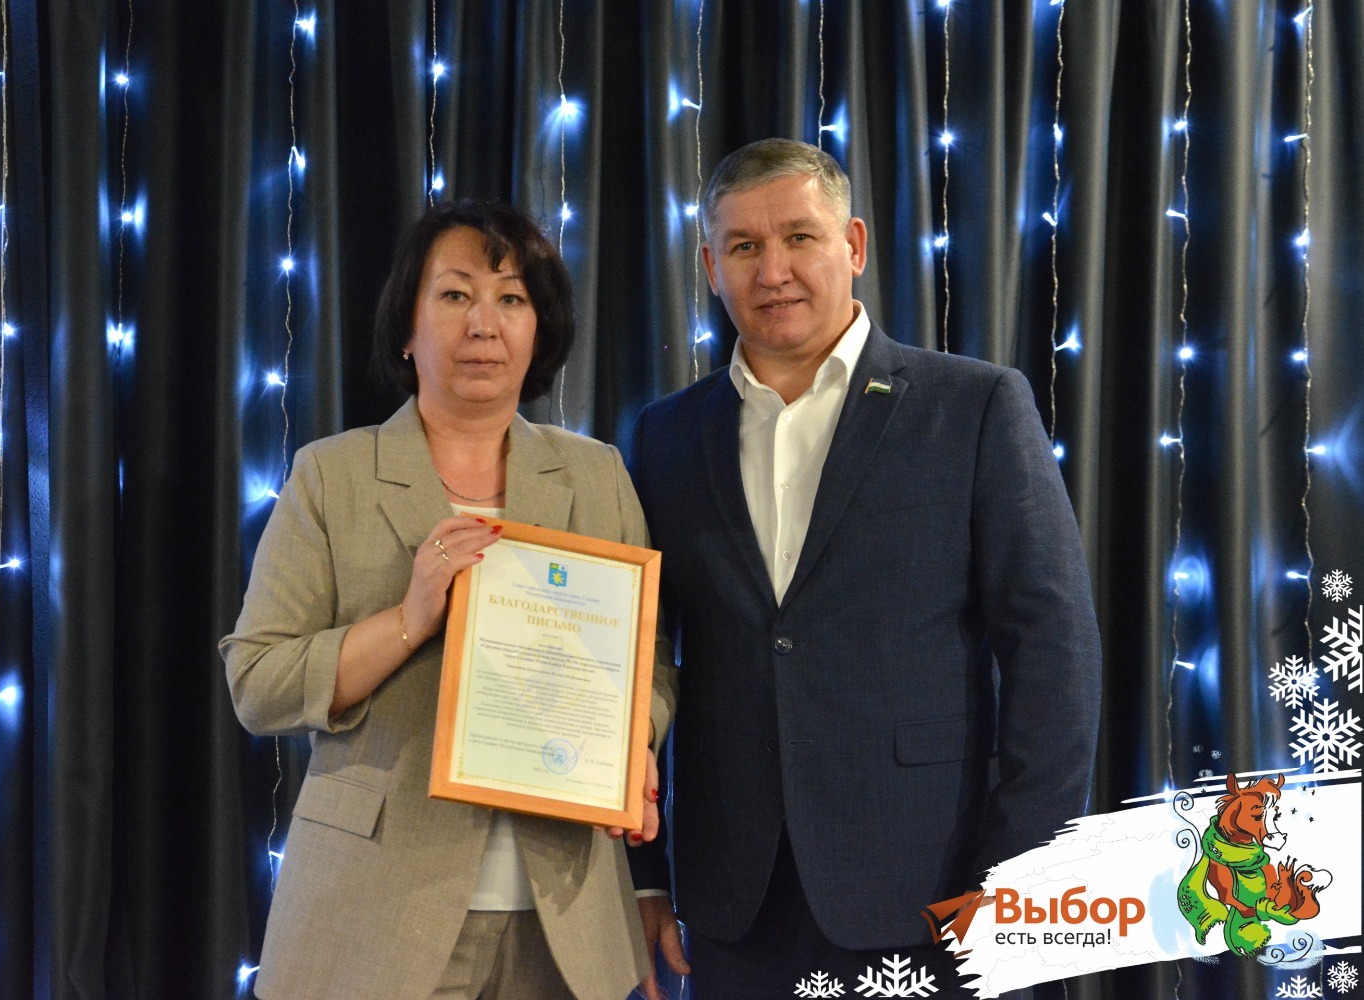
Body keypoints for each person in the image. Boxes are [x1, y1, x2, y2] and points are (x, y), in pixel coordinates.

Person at [626, 138, 1102, 997]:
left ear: (852, 245)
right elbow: (636, 661)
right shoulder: (666, 435)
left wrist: (1016, 881)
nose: (773, 270)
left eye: (799, 237)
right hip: (733, 908)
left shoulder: (975, 406)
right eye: (744, 246)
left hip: (936, 894)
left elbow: (1054, 654)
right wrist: (646, 877)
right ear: (710, 267)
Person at [222, 200, 675, 1000]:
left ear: (539, 331)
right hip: (375, 914)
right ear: (408, 324)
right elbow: (258, 683)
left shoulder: (597, 473)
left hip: (565, 916)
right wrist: (409, 619)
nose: (483, 324)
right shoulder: (331, 473)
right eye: (455, 294)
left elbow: (651, 662)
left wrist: (630, 741)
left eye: (512, 298)